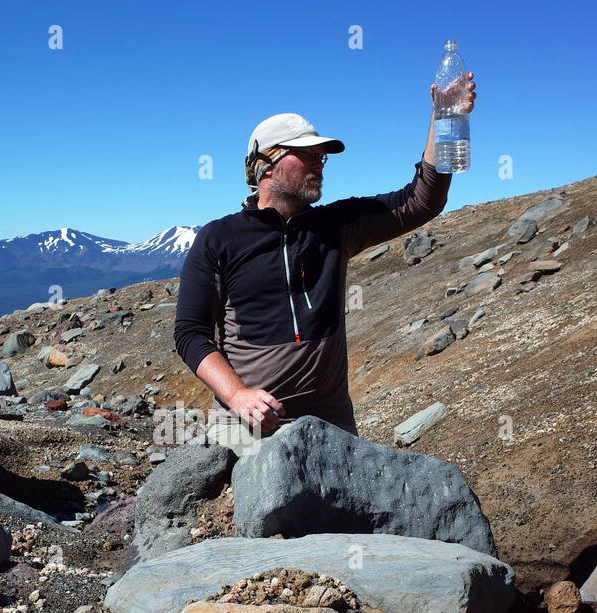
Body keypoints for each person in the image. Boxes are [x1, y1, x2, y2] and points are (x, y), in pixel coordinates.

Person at [173, 72, 477, 455]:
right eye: (308, 154)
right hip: (241, 431)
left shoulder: (336, 225)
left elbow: (423, 200)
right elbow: (190, 333)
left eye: (322, 156)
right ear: (266, 164)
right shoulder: (219, 238)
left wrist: (445, 119)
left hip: (329, 429)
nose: (320, 162)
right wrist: (237, 395)